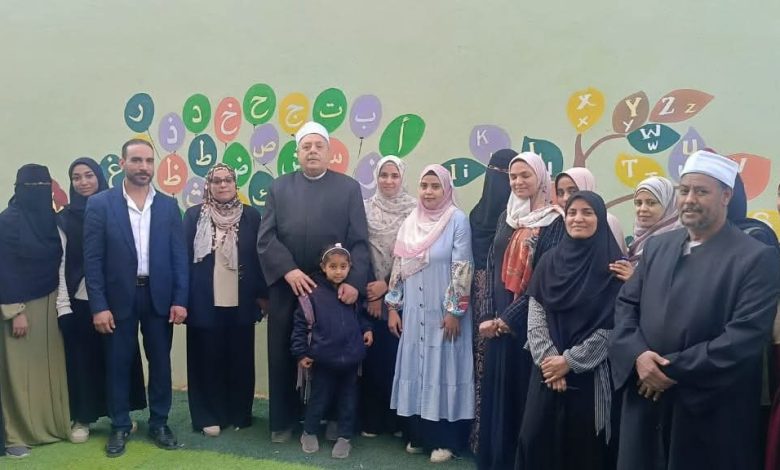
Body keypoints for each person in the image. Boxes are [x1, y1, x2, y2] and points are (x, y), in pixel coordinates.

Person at [609, 150, 780, 470]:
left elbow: (744, 337)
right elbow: (627, 305)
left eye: (701, 191)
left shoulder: (755, 257)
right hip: (645, 397)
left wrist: (668, 370)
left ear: (726, 196)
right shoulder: (658, 246)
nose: (689, 200)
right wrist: (638, 356)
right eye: (684, 190)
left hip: (708, 408)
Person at [257, 121, 370, 443]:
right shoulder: (279, 187)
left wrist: (354, 283)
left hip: (332, 286)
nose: (312, 151)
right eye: (306, 146)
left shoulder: (348, 188)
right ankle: (283, 420)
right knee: (283, 351)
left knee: (334, 352)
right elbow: (266, 238)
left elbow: (359, 241)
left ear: (329, 152)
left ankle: (333, 418)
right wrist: (289, 270)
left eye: (319, 146)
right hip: (288, 284)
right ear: (297, 153)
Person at [84, 138, 188, 458]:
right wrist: (99, 306)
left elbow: (179, 257)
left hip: (159, 298)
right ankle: (119, 425)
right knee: (118, 363)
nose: (144, 167)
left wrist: (180, 299)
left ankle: (159, 422)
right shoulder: (100, 204)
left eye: (148, 161)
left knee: (161, 363)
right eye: (136, 161)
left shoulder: (168, 205)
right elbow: (93, 260)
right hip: (118, 300)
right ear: (122, 163)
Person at [518, 191, 623, 470]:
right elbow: (536, 315)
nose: (578, 218)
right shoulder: (549, 261)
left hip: (590, 378)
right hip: (546, 374)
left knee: (584, 451)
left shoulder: (614, 267)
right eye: (572, 212)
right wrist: (550, 363)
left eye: (588, 212)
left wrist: (569, 362)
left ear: (600, 219)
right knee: (536, 441)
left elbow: (613, 327)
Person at [476, 152, 565, 470]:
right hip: (498, 322)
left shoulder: (555, 222)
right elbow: (490, 264)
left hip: (531, 326)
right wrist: (488, 315)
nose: (517, 182)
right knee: (498, 395)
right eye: (513, 176)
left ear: (541, 178)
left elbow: (544, 279)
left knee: (522, 397)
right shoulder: (507, 216)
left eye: (525, 175)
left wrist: (508, 319)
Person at [386, 164, 474, 463]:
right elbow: (398, 267)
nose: (429, 192)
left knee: (443, 368)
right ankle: (420, 436)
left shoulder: (457, 219)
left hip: (443, 314)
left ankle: (446, 441)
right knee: (417, 369)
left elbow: (462, 266)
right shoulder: (411, 221)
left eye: (436, 186)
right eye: (424, 185)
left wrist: (454, 311)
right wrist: (393, 307)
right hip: (414, 312)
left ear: (446, 189)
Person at [55, 157, 146, 444]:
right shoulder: (65, 219)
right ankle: (83, 417)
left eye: (89, 175)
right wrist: (63, 305)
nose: (83, 182)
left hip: (119, 299)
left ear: (100, 177)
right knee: (83, 361)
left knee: (118, 360)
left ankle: (120, 414)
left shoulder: (118, 210)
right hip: (82, 301)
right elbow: (61, 264)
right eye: (76, 177)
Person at [183, 163, 267, 437]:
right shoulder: (194, 216)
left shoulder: (251, 216)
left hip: (242, 300)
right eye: (216, 181)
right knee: (206, 359)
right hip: (203, 300)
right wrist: (182, 299)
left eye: (228, 180)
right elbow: (183, 258)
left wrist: (262, 296)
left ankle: (239, 413)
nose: (222, 185)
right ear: (208, 185)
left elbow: (260, 257)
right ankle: (208, 415)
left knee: (240, 359)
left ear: (235, 184)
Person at [0, 164, 70, 458]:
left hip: (50, 302)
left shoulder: (52, 223)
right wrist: (15, 310)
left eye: (43, 187)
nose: (37, 194)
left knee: (48, 371)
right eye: (31, 188)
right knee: (18, 375)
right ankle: (15, 435)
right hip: (18, 307)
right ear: (18, 190)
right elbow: (4, 267)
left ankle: (50, 427)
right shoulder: (7, 222)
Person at [291, 244, 373, 459]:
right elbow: (300, 325)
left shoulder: (352, 293)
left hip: (351, 360)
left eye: (343, 266)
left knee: (348, 400)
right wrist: (301, 353)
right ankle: (309, 432)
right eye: (333, 266)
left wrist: (367, 330)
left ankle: (344, 437)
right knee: (319, 398)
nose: (338, 271)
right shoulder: (312, 293)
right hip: (323, 360)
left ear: (350, 267)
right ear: (323, 267)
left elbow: (360, 316)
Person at [360, 155, 416, 438]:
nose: (389, 181)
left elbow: (413, 254)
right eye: (384, 175)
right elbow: (360, 249)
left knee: (399, 358)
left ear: (402, 177)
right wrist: (372, 293)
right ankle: (373, 420)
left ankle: (398, 422)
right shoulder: (365, 208)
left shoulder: (415, 211)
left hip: (404, 293)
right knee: (374, 358)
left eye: (395, 175)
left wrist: (386, 286)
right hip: (370, 295)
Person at [467, 148, 515, 452]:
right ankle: (473, 435)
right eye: (495, 173)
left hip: (506, 299)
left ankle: (495, 438)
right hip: (474, 301)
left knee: (498, 367)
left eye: (507, 175)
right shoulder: (475, 214)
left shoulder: (517, 217)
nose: (499, 181)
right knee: (474, 364)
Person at [609, 176, 678, 282]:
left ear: (668, 205)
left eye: (651, 203)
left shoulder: (677, 244)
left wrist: (636, 280)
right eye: (638, 203)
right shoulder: (637, 242)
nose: (642, 209)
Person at [554, 167, 627, 253]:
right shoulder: (556, 223)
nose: (565, 198)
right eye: (560, 193)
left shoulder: (607, 220)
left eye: (572, 191)